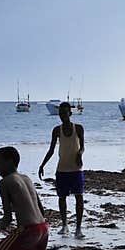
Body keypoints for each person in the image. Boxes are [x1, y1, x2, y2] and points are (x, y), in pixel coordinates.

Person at [38, 101, 85, 238]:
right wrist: (42, 165)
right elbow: (51, 150)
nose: (62, 116)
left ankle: (78, 228)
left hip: (76, 169)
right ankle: (64, 225)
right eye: (60, 113)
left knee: (79, 197)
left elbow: (82, 147)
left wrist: (80, 154)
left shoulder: (79, 128)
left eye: (65, 113)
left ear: (70, 113)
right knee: (62, 198)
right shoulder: (56, 130)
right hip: (62, 169)